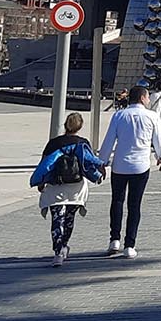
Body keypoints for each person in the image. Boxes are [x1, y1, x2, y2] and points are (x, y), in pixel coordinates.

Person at [97, 85, 161, 260]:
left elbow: (109, 141)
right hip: (140, 165)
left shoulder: (119, 115)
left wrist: (102, 161)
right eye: (147, 97)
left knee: (117, 201)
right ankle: (130, 244)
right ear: (143, 98)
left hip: (120, 165)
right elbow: (159, 138)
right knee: (134, 205)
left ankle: (114, 239)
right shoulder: (152, 116)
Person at [31, 112, 106, 267]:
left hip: (55, 187)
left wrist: (40, 182)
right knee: (69, 219)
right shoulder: (82, 143)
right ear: (80, 126)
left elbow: (44, 163)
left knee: (57, 219)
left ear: (65, 125)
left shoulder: (54, 143)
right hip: (76, 188)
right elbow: (89, 163)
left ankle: (58, 252)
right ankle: (64, 245)